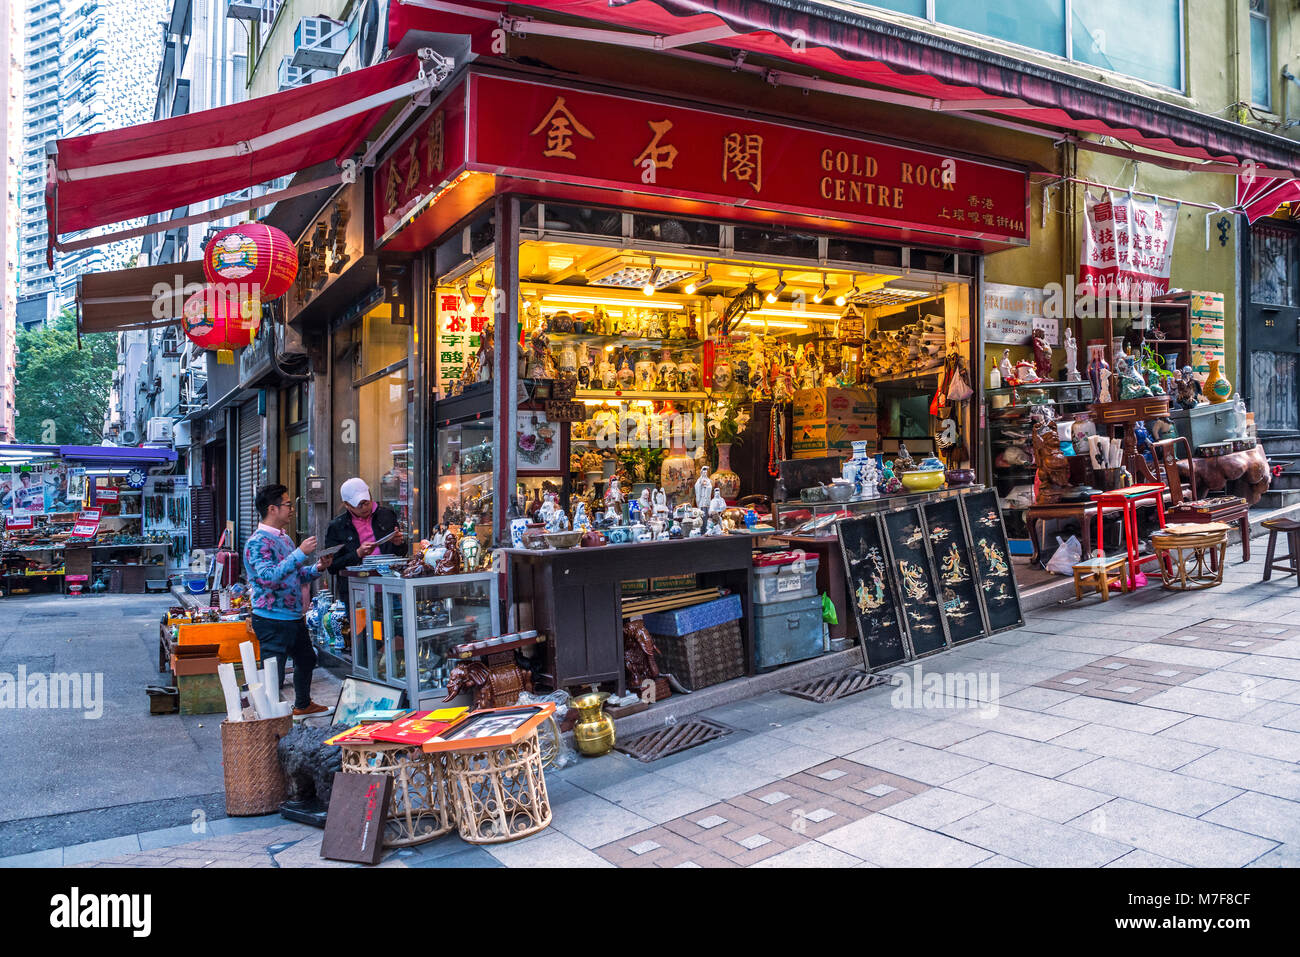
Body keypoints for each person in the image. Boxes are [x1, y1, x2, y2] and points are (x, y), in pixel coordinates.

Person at [243, 484, 330, 717]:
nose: (292, 509)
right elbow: (268, 577)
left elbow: (295, 575)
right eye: (288, 504)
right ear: (272, 509)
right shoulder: (257, 542)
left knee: (307, 658)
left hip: (293, 616)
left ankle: (302, 704)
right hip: (271, 618)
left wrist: (316, 568)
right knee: (274, 674)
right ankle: (270, 719)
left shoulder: (285, 539)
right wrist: (300, 553)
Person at [324, 477, 409, 577]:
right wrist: (357, 554)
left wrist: (398, 543)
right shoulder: (337, 526)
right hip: (356, 585)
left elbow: (400, 554)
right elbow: (332, 566)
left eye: (366, 503)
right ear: (347, 505)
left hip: (388, 581)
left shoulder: (387, 515)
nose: (364, 508)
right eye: (359, 505)